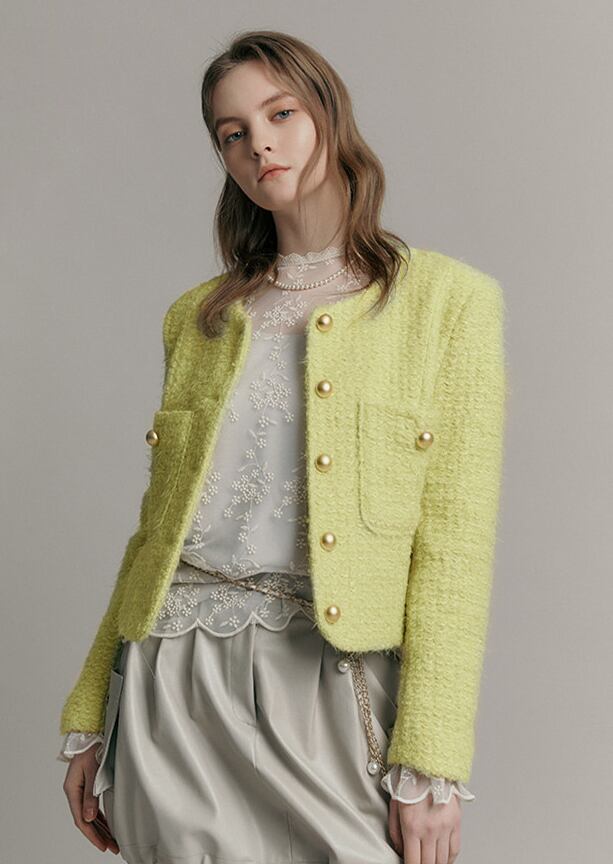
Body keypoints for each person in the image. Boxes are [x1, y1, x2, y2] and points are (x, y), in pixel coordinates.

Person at [58, 30, 506, 864]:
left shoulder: (446, 304)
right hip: (171, 683)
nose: (258, 144)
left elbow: (454, 548)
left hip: (329, 685)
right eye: (231, 133)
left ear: (329, 114)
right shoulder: (197, 318)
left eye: (280, 114)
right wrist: (90, 715)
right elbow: (152, 536)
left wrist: (432, 762)